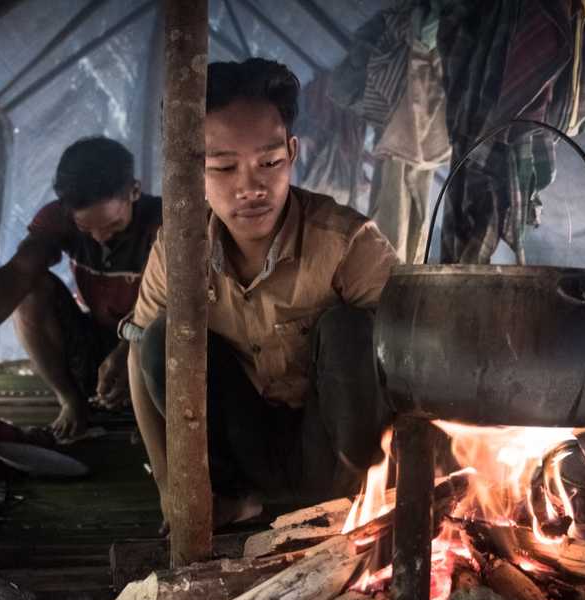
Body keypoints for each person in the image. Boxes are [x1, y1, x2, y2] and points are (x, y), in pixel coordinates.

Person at [123, 58, 400, 523]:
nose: (250, 187)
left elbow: (412, 362)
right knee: (160, 339)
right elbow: (137, 359)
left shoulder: (347, 242)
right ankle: (235, 501)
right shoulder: (179, 248)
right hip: (246, 450)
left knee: (352, 331)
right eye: (224, 167)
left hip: (334, 452)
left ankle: (345, 502)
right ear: (194, 169)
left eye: (269, 163)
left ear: (292, 153)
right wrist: (170, 485)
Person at [0, 137, 159, 441]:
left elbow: (174, 306)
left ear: (134, 191)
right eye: (87, 229)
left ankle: (151, 409)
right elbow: (18, 273)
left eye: (112, 225)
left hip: (155, 347)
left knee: (169, 333)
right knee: (30, 290)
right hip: (95, 343)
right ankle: (71, 400)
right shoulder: (59, 218)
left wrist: (131, 350)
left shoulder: (165, 224)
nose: (99, 238)